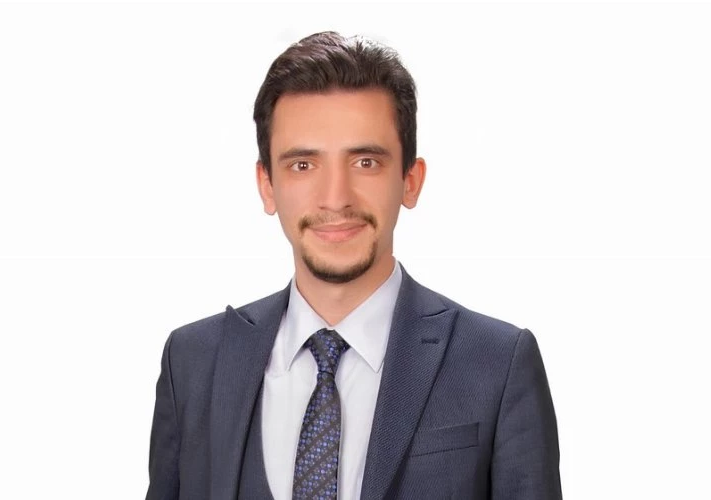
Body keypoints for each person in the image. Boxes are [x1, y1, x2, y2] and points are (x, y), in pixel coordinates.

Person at [146, 31, 562, 500]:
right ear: (267, 184)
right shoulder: (193, 363)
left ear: (410, 180)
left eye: (365, 162)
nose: (335, 198)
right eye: (303, 165)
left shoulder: (497, 364)